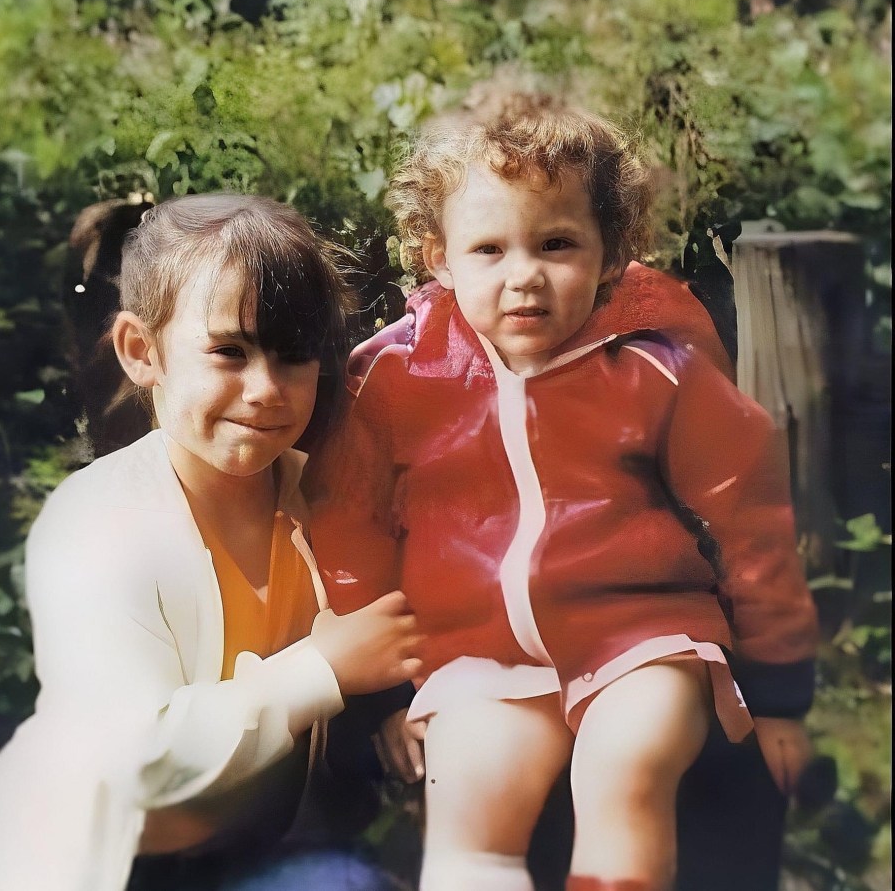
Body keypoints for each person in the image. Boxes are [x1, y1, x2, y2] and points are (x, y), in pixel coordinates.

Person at [306, 93, 820, 891]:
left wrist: (781, 692)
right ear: (438, 256)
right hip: (476, 656)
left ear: (610, 250)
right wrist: (379, 698)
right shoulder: (395, 378)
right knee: (471, 815)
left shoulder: (651, 365)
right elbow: (352, 532)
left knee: (623, 772)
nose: (524, 278)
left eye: (556, 244)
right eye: (489, 250)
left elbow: (749, 512)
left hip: (641, 639)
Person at [0, 193, 423, 891]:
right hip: (114, 865)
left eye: (293, 356)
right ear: (140, 351)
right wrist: (322, 671)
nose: (265, 389)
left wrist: (397, 711)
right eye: (229, 352)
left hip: (269, 850)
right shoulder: (96, 523)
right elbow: (138, 759)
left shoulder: (320, 498)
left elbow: (378, 639)